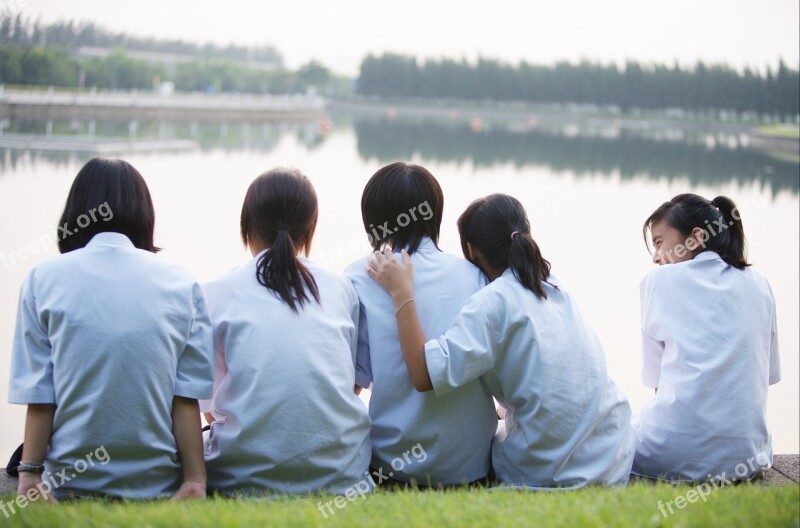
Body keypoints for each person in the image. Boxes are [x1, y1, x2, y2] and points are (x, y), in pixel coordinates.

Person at [366, 193, 635, 489]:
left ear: (471, 251)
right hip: (613, 453)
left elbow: (424, 374)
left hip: (550, 472)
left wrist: (401, 291)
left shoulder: (490, 304)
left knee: (488, 441)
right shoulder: (556, 285)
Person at [8, 157, 213, 501]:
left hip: (69, 481)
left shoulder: (42, 279)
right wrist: (195, 480)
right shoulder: (182, 283)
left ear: (75, 213)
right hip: (157, 481)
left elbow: (41, 397)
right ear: (145, 214)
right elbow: (185, 398)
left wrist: (30, 475)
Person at [201, 167, 371, 495]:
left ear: (246, 227)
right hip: (342, 472)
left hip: (240, 476)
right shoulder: (340, 288)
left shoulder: (216, 292)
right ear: (310, 229)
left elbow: (205, 402)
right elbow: (347, 386)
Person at [344, 162, 496, 487]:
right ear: (435, 214)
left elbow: (349, 385)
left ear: (372, 219)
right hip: (470, 465)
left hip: (392, 466)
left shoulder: (358, 278)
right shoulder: (476, 277)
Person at [632, 193, 780, 482]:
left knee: (614, 437)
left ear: (697, 237)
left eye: (660, 242)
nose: (655, 257)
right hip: (749, 455)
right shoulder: (759, 283)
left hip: (675, 455)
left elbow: (658, 386)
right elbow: (766, 376)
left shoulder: (658, 282)